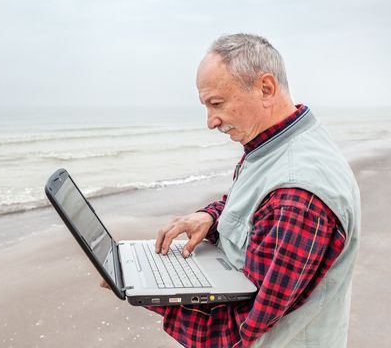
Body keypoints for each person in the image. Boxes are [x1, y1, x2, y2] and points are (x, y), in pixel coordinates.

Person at [103, 33, 360, 347]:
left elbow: (241, 330)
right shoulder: (277, 142)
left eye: (216, 103)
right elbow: (255, 202)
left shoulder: (297, 194)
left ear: (265, 89)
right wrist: (209, 217)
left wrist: (144, 291)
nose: (211, 121)